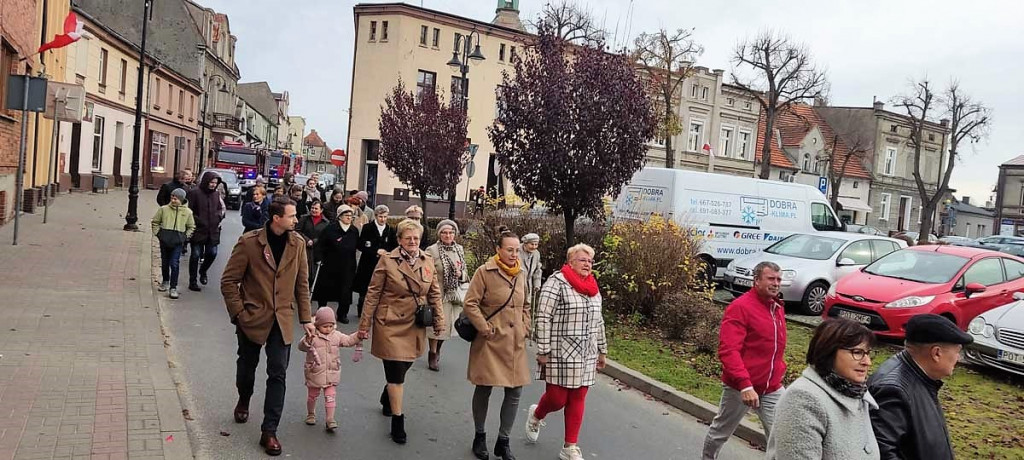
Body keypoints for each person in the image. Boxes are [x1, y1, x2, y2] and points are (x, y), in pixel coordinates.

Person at [220, 198, 314, 456]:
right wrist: (239, 313)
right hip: (252, 318)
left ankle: (269, 430)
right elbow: (229, 281)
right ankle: (244, 397)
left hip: (282, 320)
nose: (296, 220)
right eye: (292, 216)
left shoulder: (297, 245)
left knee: (278, 373)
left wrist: (306, 319)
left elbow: (302, 285)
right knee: (247, 367)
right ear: (276, 218)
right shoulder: (250, 243)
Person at [356, 219, 445, 445]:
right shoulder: (387, 261)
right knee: (396, 372)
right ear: (399, 241)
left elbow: (434, 294)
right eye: (408, 238)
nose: (413, 242)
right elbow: (373, 293)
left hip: (414, 323)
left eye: (416, 238)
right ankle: (398, 420)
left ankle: (388, 394)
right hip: (390, 322)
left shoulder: (427, 261)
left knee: (405, 365)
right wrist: (364, 326)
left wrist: (439, 322)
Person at [523, 243, 606, 460]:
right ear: (570, 262)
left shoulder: (593, 287)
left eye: (590, 261)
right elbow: (543, 317)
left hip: (587, 354)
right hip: (561, 353)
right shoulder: (557, 283)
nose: (587, 264)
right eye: (582, 260)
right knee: (557, 399)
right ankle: (537, 414)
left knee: (578, 397)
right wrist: (543, 350)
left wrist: (602, 350)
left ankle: (570, 447)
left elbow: (599, 322)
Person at [701, 261, 787, 460]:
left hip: (771, 387)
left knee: (781, 435)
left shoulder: (777, 307)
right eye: (771, 279)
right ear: (756, 281)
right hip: (742, 386)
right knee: (721, 431)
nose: (776, 284)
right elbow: (729, 350)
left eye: (779, 279)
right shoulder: (740, 308)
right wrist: (744, 384)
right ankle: (708, 457)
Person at [766, 318, 879, 460]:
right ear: (829, 351)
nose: (867, 362)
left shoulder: (856, 392)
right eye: (857, 352)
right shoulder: (802, 399)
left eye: (868, 353)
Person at [463, 226, 530, 460]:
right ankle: (479, 436)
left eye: (517, 250)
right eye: (509, 250)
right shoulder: (484, 271)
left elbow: (527, 304)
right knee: (484, 387)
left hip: (515, 343)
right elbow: (470, 303)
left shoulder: (522, 274)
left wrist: (525, 326)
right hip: (490, 341)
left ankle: (504, 441)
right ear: (498, 250)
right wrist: (484, 328)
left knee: (515, 391)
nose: (514, 254)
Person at [867, 314, 972, 460]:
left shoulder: (921, 377)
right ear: (936, 353)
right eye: (957, 351)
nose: (958, 358)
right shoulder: (894, 390)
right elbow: (882, 452)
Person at [298, 306, 363, 433]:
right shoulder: (312, 335)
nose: (328, 329)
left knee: (330, 396)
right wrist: (307, 339)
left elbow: (349, 340)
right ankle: (311, 414)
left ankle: (330, 419)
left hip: (332, 372)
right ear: (317, 325)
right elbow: (301, 346)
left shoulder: (336, 335)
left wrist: (358, 335)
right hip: (315, 371)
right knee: (312, 396)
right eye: (325, 326)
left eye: (331, 325)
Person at [424, 219, 468, 372]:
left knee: (447, 326)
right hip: (437, 293)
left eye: (451, 232)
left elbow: (465, 272)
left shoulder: (459, 250)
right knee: (436, 325)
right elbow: (426, 270)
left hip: (451, 295)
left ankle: (438, 349)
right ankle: (432, 352)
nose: (448, 235)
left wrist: (459, 273)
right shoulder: (432, 250)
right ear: (439, 234)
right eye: (444, 232)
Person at [313, 204, 360, 322]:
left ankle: (342, 314)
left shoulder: (354, 230)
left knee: (345, 291)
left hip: (348, 265)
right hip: (330, 264)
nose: (349, 218)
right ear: (340, 216)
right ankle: (322, 311)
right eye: (346, 215)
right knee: (325, 289)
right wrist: (319, 258)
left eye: (351, 216)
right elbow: (320, 245)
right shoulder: (330, 229)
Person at [353, 205, 398, 319]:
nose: (383, 219)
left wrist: (386, 252)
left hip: (383, 264)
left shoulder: (390, 230)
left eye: (385, 217)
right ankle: (361, 311)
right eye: (380, 216)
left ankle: (377, 312)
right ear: (376, 216)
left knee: (381, 289)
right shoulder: (367, 228)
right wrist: (375, 250)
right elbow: (361, 244)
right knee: (365, 289)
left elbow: (394, 247)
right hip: (368, 263)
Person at [152, 188, 195, 300]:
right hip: (165, 239)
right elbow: (155, 222)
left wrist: (185, 237)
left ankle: (173, 287)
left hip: (178, 241)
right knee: (165, 262)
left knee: (174, 263)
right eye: (172, 197)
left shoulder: (187, 212)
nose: (173, 200)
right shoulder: (164, 209)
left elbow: (191, 226)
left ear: (181, 199)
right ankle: (165, 280)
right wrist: (159, 234)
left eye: (176, 198)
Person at [186, 171, 226, 292]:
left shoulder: (215, 195)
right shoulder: (194, 193)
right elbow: (189, 210)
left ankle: (203, 270)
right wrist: (198, 220)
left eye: (215, 183)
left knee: (212, 253)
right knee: (195, 255)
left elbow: (220, 208)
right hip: (198, 230)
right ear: (206, 181)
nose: (213, 185)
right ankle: (192, 281)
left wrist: (218, 217)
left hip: (212, 231)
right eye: (211, 182)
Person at [297, 200, 329, 285]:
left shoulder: (326, 223)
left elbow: (325, 236)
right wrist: (307, 240)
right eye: (312, 208)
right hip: (304, 248)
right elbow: (297, 231)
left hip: (317, 250)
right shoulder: (304, 218)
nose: (313, 210)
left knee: (313, 274)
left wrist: (315, 241)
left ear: (321, 210)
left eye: (316, 208)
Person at [520, 233, 543, 320]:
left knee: (527, 308)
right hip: (517, 284)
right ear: (525, 243)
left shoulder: (536, 254)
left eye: (536, 244)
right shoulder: (517, 251)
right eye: (532, 244)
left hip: (528, 286)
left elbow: (537, 270)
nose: (534, 247)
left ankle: (526, 328)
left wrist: (537, 284)